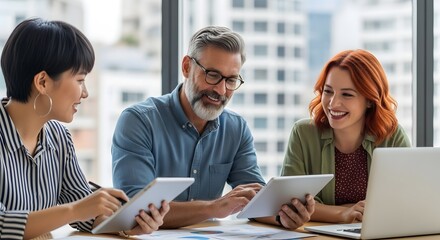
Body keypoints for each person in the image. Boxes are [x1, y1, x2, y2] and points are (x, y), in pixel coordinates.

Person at [112, 26, 315, 230]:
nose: (220, 90)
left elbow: (255, 201)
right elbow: (135, 209)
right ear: (186, 67)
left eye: (231, 80)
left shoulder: (236, 128)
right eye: (212, 75)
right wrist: (214, 208)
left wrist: (285, 216)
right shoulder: (138, 122)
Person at [0, 18, 169, 240]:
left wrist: (125, 224)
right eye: (80, 80)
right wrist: (78, 209)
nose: (85, 93)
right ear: (42, 82)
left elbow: (84, 211)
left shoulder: (58, 137)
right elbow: (4, 226)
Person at [281, 49, 411, 224]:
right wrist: (343, 213)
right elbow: (291, 206)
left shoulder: (392, 136)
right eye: (328, 91)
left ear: (370, 100)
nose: (333, 103)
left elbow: (402, 203)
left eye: (347, 94)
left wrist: (325, 210)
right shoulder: (303, 133)